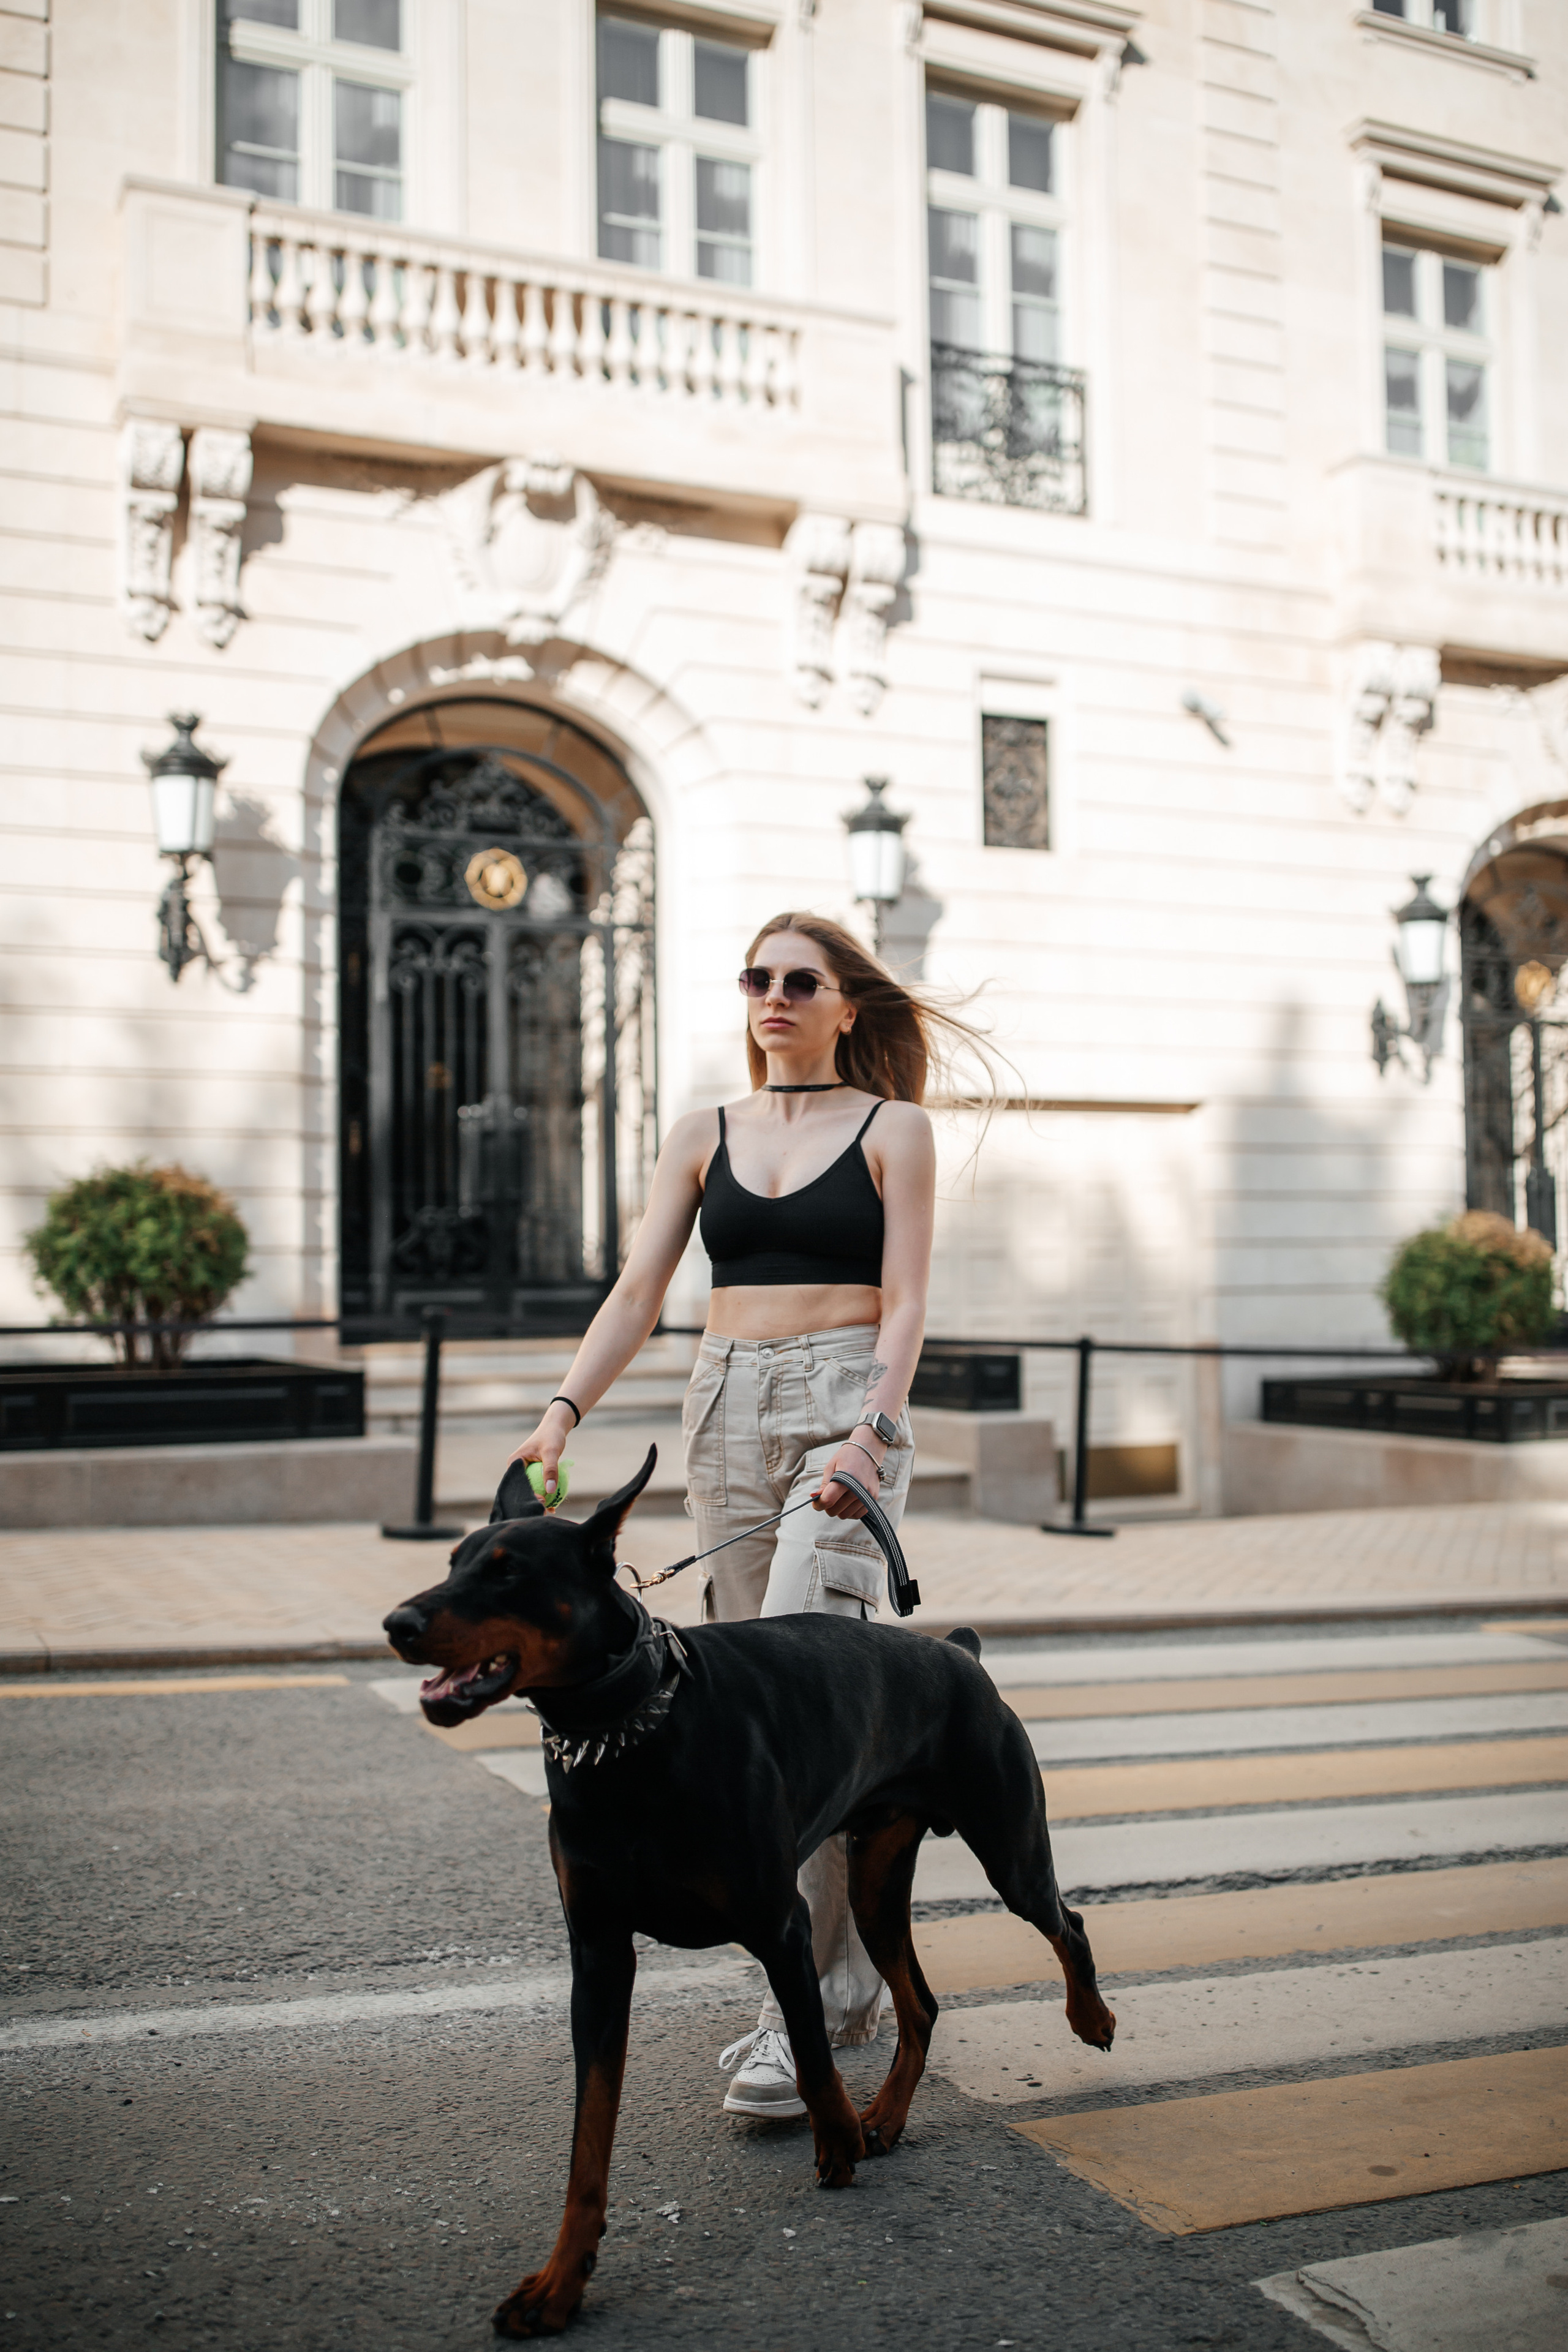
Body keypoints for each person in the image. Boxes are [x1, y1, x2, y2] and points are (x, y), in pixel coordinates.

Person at [512, 909, 969, 2120]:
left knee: (806, 1704)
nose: (771, 995)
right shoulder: (700, 1134)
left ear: (843, 1005)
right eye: (756, 977)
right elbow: (638, 1289)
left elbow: (909, 1301)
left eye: (798, 980)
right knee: (739, 1712)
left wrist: (873, 1429)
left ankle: (795, 2011)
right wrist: (561, 1411)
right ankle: (852, 1963)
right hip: (722, 1404)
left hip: (841, 1407)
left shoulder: (893, 1130)